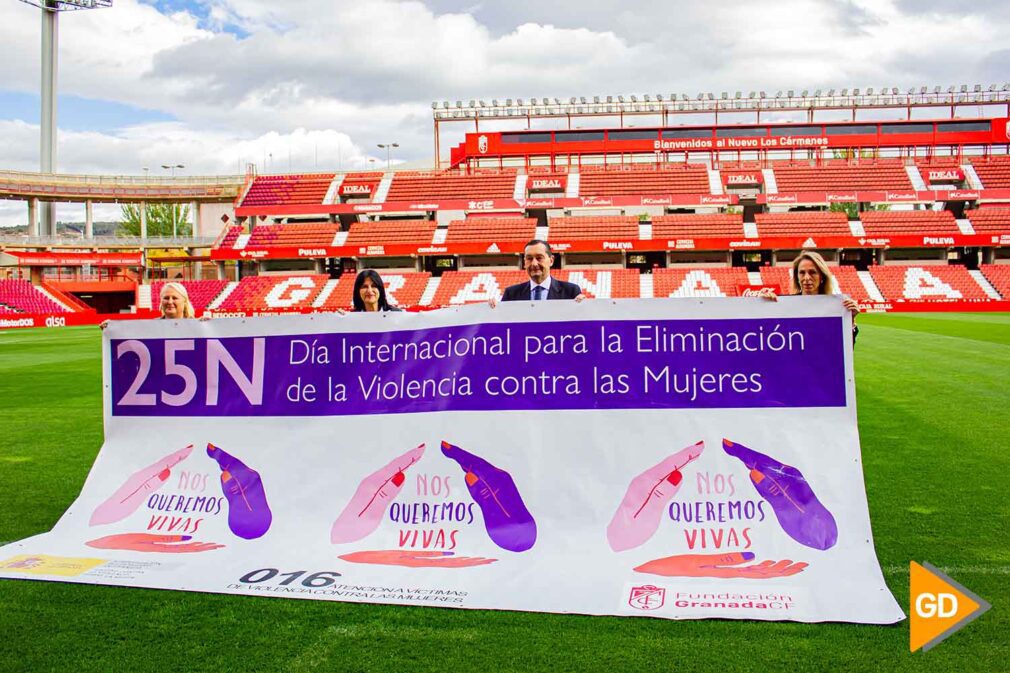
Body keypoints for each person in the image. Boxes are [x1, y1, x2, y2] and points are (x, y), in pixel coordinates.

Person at [760, 251, 859, 342]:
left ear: (822, 276)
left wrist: (850, 320)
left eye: (812, 272)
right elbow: (769, 337)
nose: (807, 278)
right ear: (797, 277)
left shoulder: (836, 307)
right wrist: (762, 304)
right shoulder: (784, 303)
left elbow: (844, 349)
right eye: (802, 273)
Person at [494, 239, 586, 305]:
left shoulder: (570, 292)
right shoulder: (511, 294)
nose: (534, 263)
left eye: (539, 258)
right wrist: (493, 311)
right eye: (529, 258)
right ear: (524, 262)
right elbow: (502, 326)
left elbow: (581, 325)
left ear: (551, 260)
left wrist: (585, 308)